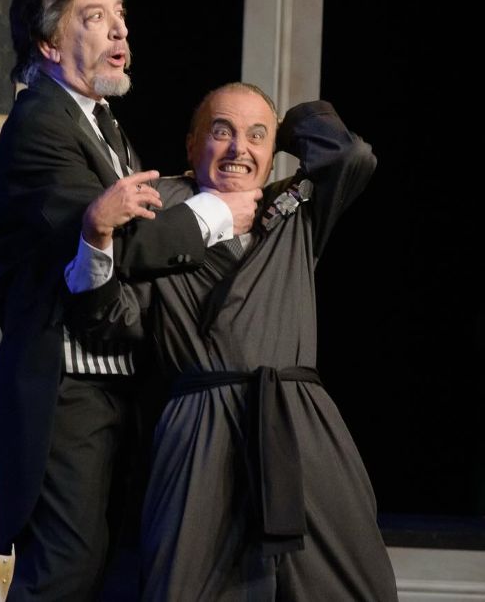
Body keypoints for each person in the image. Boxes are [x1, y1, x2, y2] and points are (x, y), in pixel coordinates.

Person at [0, 0, 260, 600]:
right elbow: (127, 242)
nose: (120, 31)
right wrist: (217, 214)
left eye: (120, 15)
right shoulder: (41, 124)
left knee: (105, 571)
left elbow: (119, 240)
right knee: (64, 573)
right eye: (95, 17)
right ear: (50, 43)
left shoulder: (99, 121)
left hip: (114, 390)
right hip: (68, 393)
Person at [67, 83, 399, 600]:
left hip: (297, 421)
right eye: (221, 132)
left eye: (256, 136)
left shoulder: (295, 207)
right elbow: (111, 319)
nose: (238, 148)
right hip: (201, 425)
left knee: (344, 584)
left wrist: (279, 131)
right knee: (187, 585)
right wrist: (97, 238)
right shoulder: (160, 214)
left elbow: (350, 155)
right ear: (191, 143)